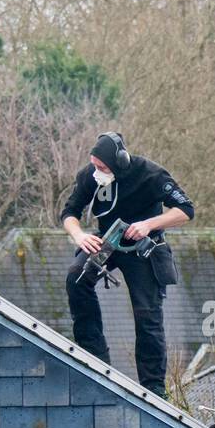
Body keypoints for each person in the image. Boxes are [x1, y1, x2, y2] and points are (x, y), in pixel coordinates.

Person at [62, 131, 194, 398]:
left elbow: (185, 210)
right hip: (107, 241)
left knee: (147, 314)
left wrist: (148, 224)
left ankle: (154, 387)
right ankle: (94, 357)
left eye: (102, 167)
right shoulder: (90, 176)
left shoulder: (151, 174)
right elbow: (70, 212)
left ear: (119, 163)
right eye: (94, 166)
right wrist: (80, 235)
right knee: (76, 277)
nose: (97, 172)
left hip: (143, 247)